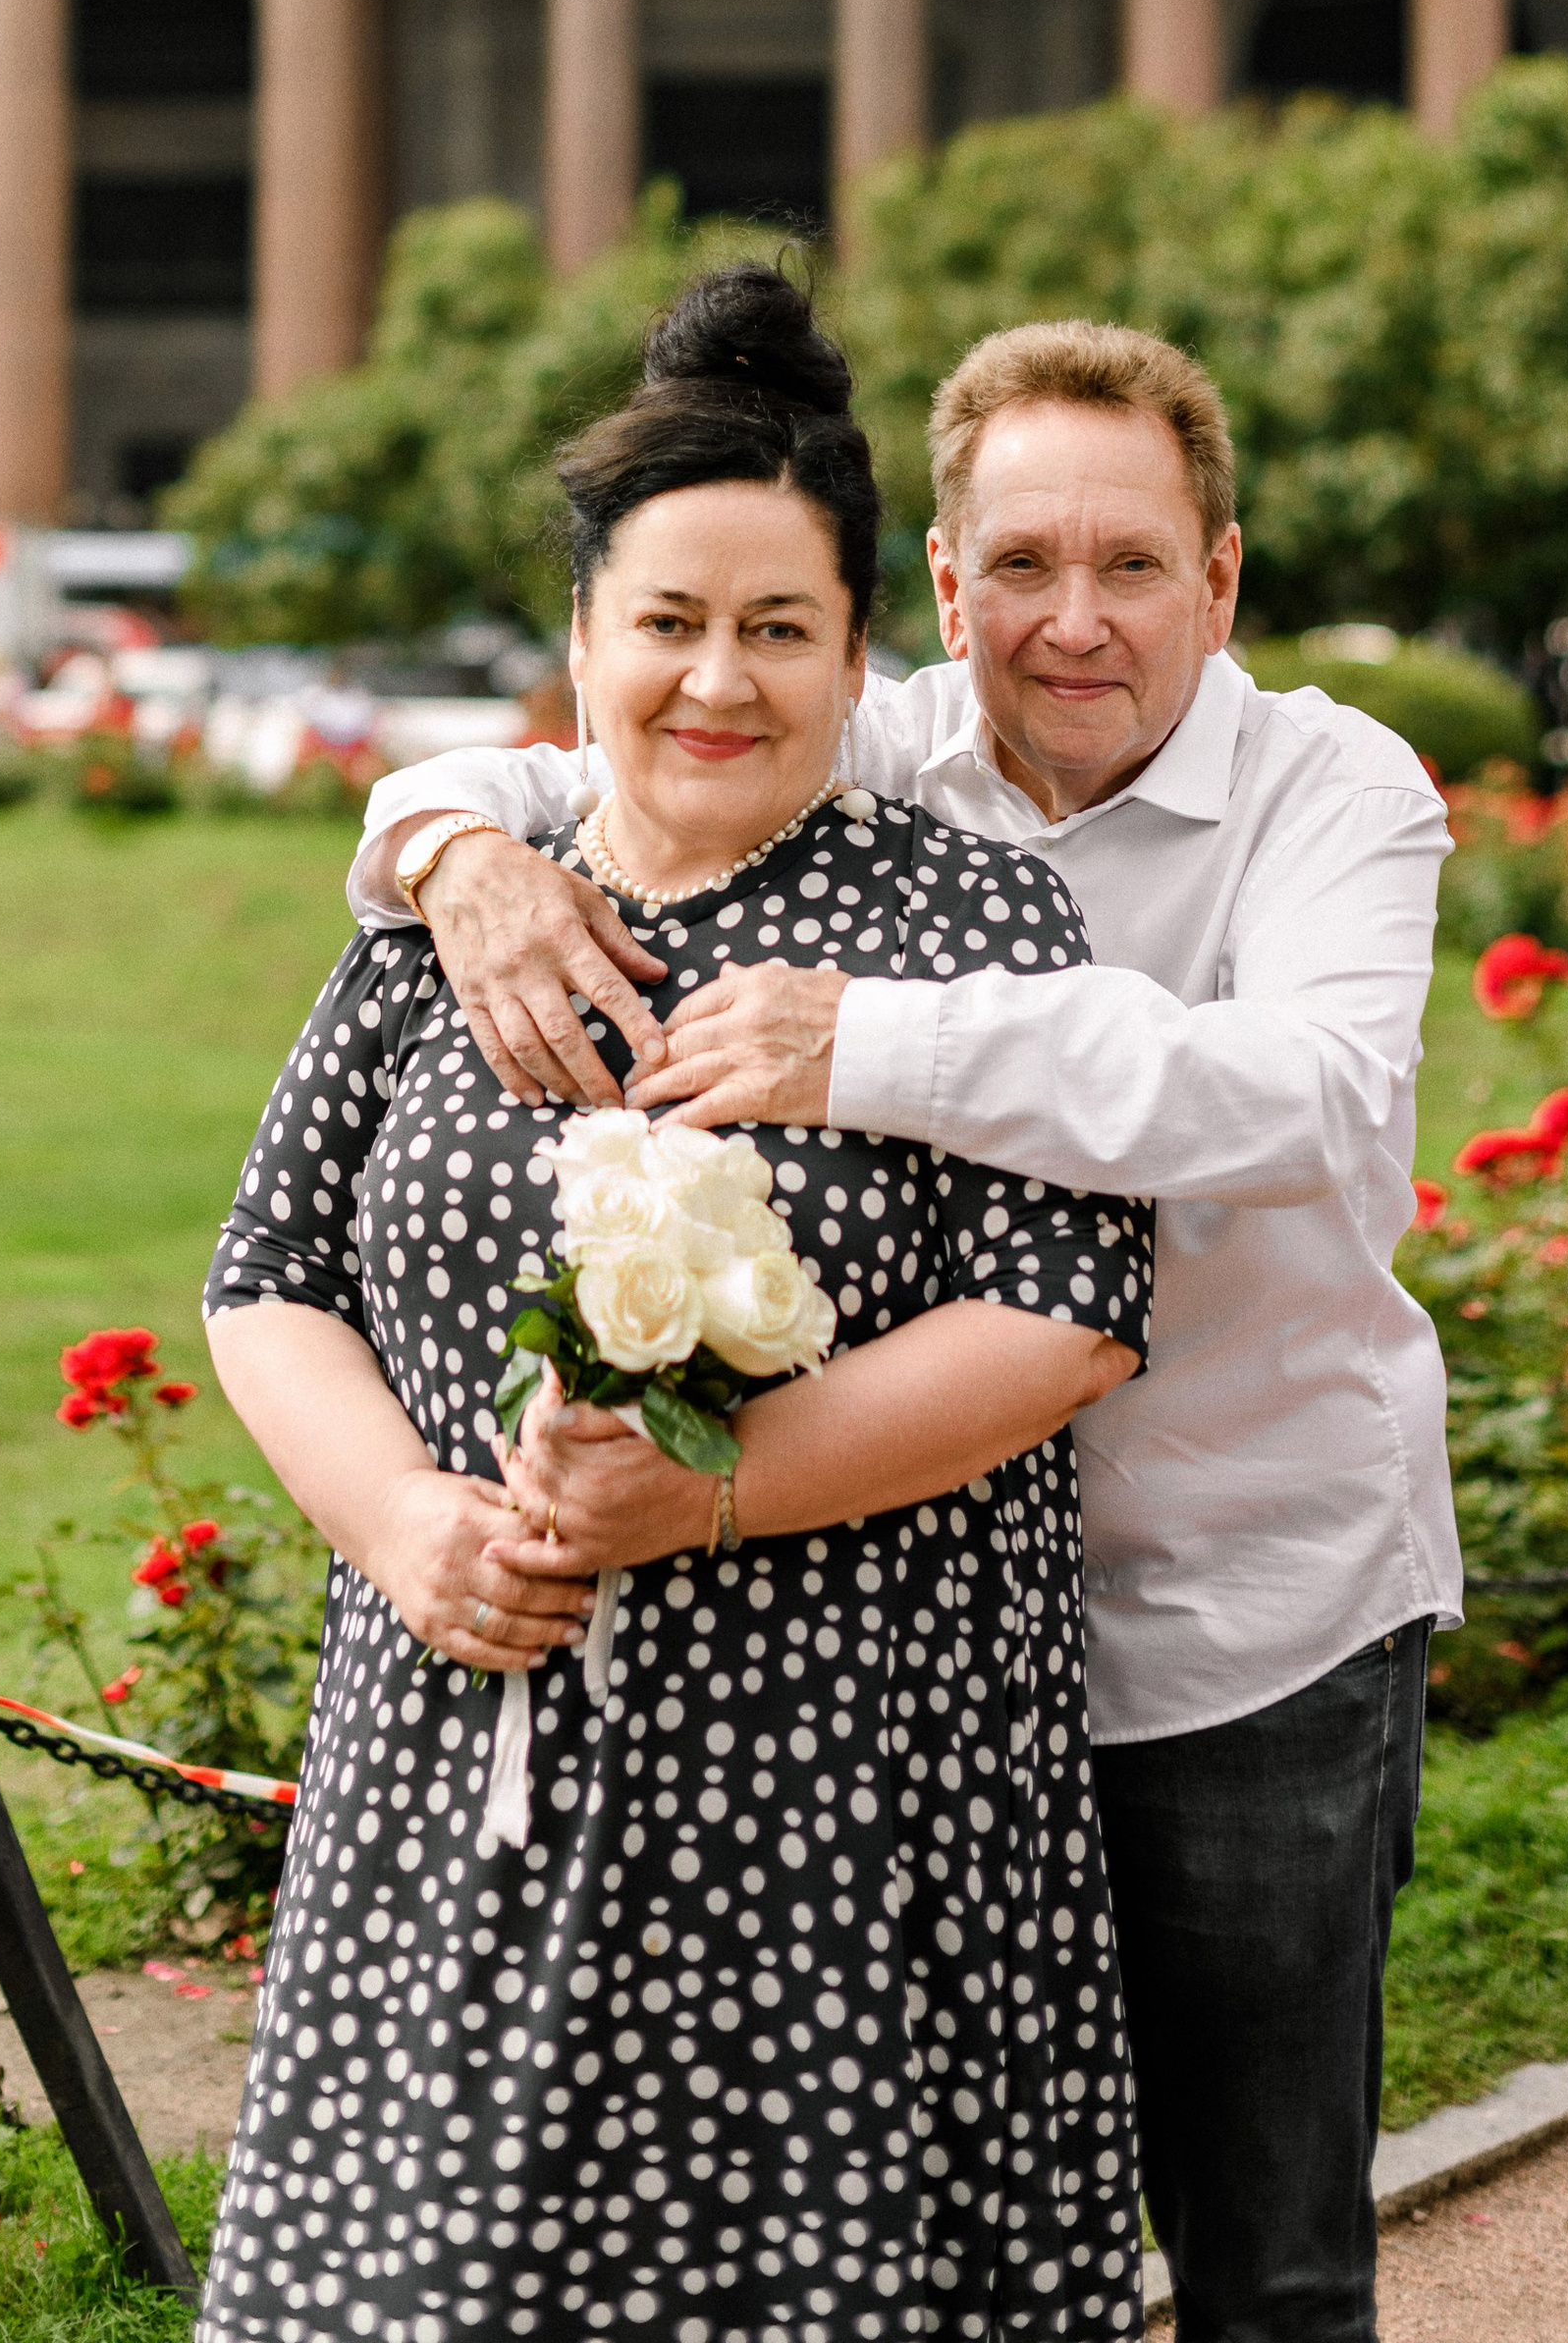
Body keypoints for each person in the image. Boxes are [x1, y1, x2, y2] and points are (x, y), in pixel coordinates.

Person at [352, 317, 1461, 2343]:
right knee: (956, 2207)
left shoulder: (1331, 785)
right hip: (924, 1652)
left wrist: (870, 1044)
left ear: (1219, 577)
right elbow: (528, 747)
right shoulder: (869, 726)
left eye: (1130, 565)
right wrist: (457, 858)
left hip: (1243, 1614)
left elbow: (1307, 1096)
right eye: (1016, 568)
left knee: (1264, 2240)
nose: (1070, 623)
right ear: (939, 592)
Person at [201, 269, 1156, 2343]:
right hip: (465, 1750)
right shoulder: (447, 920)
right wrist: (402, 1529)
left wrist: (701, 1497)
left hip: (842, 1796)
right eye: (665, 623)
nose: (715, 680)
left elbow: (1071, 1304)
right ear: (576, 649)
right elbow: (266, 1275)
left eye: (776, 628)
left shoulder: (967, 913)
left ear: (856, 653)